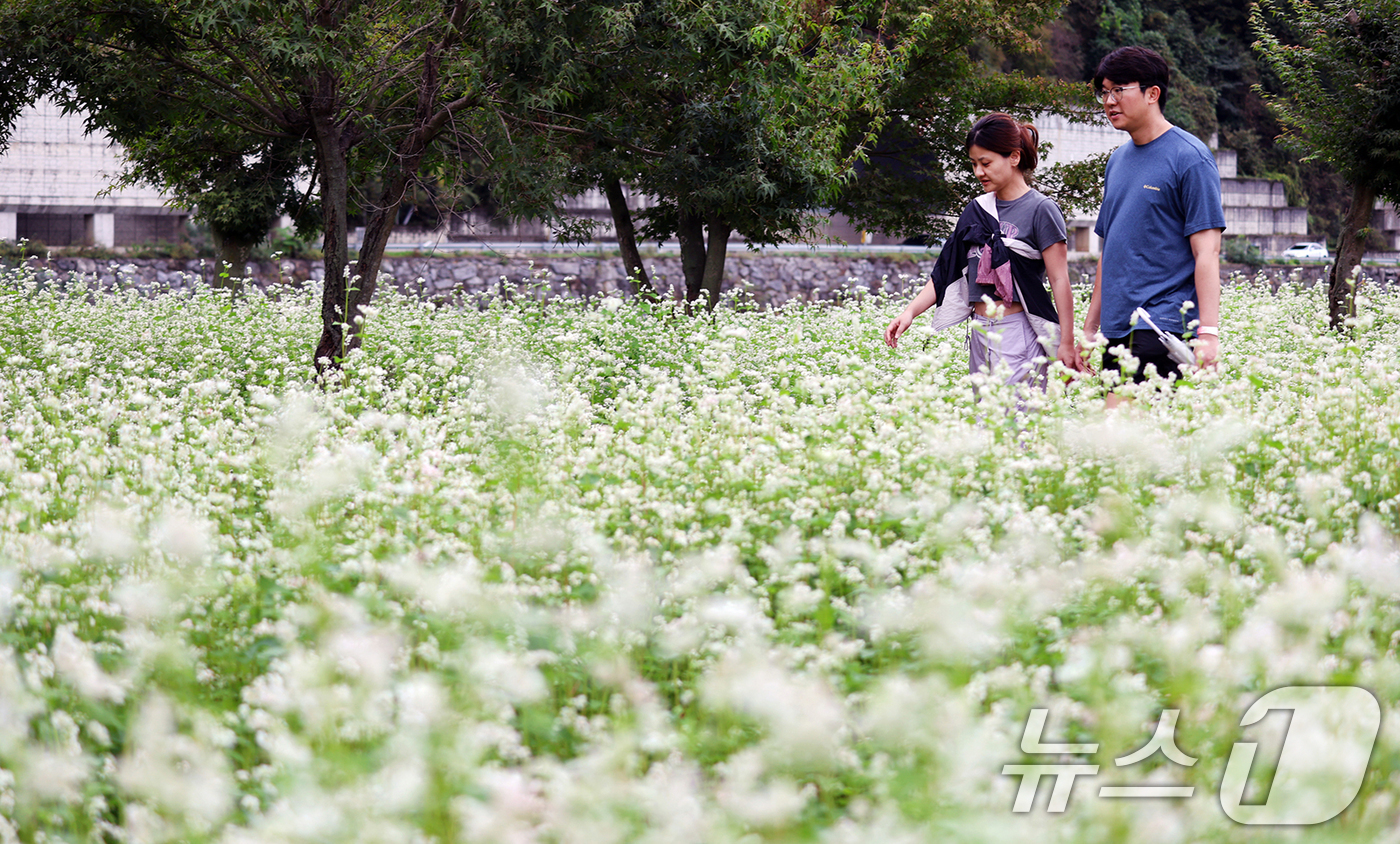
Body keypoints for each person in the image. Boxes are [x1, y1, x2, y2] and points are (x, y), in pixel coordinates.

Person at [884, 113, 1085, 390]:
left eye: (986, 163)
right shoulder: (976, 210)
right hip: (979, 331)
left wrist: (1065, 342)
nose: (979, 172)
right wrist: (909, 313)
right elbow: (947, 270)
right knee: (985, 425)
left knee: (1017, 424)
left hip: (1018, 332)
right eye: (974, 164)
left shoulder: (1041, 210)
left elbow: (1060, 279)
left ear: (1014, 157)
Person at [1079, 46, 1225, 403]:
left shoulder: (1190, 158)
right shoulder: (1117, 161)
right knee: (1132, 450)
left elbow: (1207, 251)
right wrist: (1089, 329)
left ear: (1152, 94)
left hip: (1161, 324)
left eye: (1118, 90)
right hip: (1117, 326)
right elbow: (1109, 252)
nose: (1109, 101)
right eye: (1104, 92)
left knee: (1119, 433)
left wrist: (1208, 333)